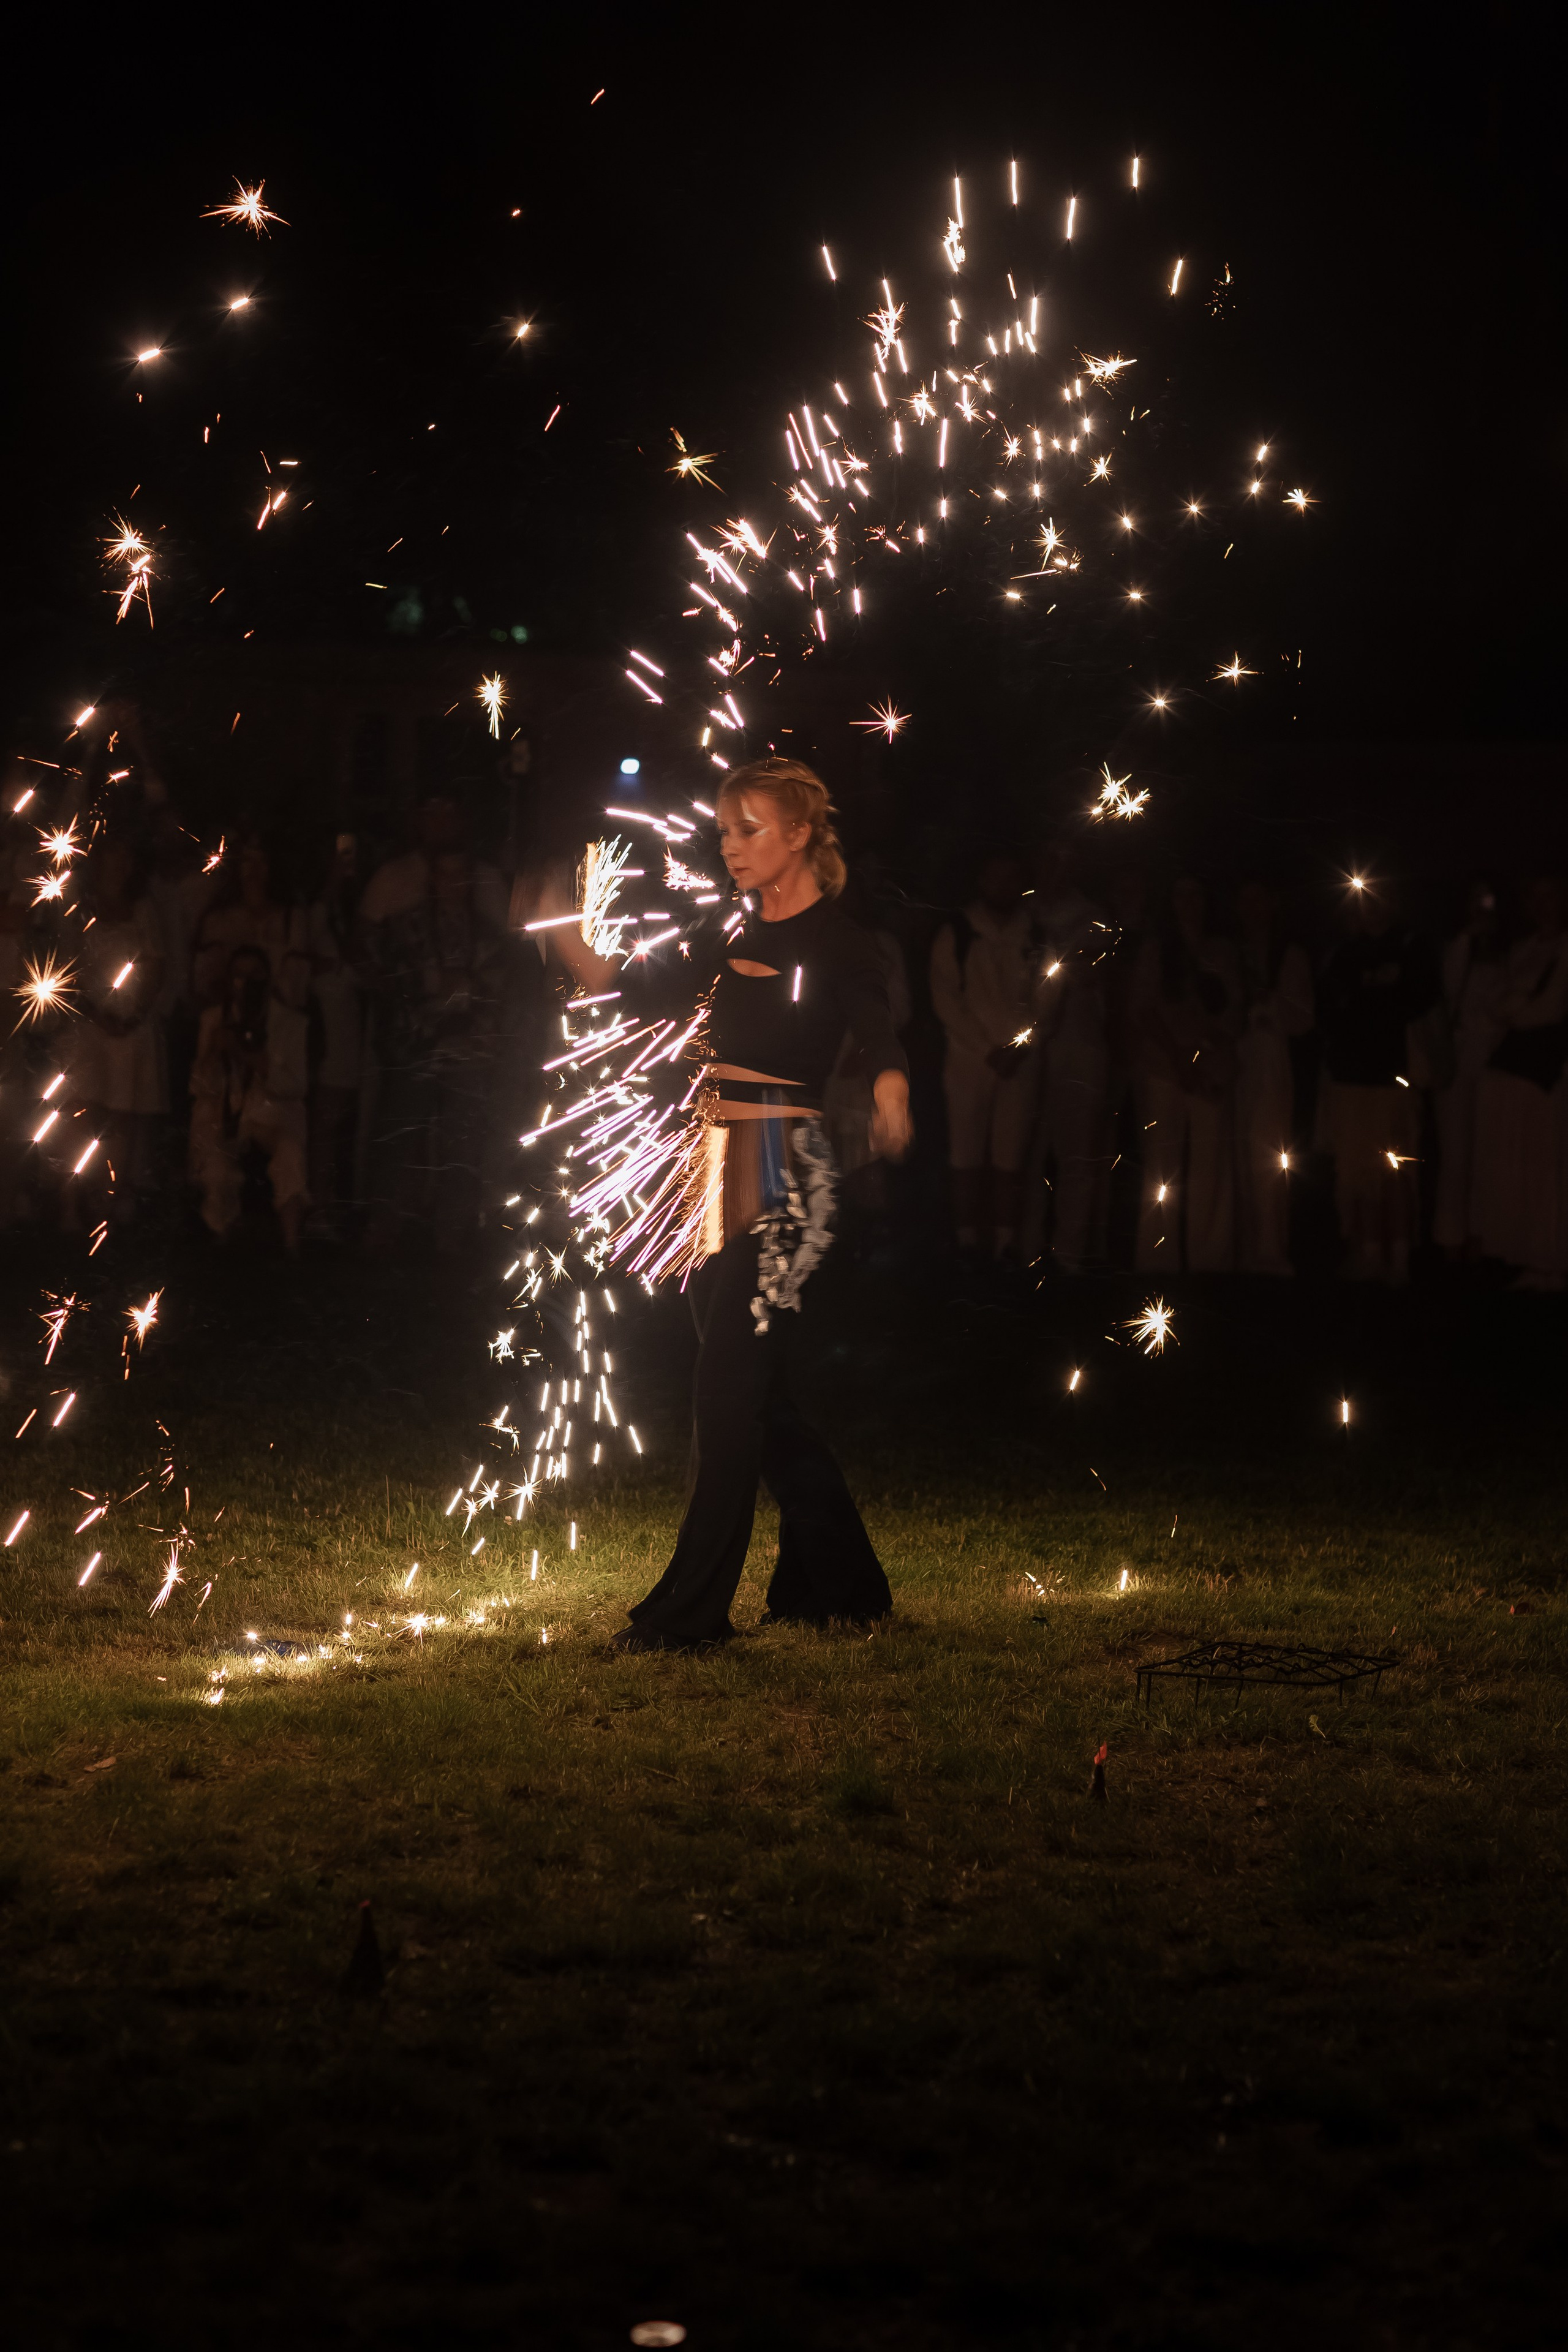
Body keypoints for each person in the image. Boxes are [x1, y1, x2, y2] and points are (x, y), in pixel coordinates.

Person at [549, 758, 912, 1653]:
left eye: (751, 829)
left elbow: (879, 1028)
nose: (733, 847)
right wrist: (566, 931)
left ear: (798, 835)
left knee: (726, 1399)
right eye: (723, 832)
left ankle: (687, 1616)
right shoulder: (727, 939)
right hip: (713, 1169)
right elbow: (628, 989)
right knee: (760, 1400)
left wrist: (892, 1091)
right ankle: (844, 1584)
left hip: (784, 1173)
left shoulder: (841, 941)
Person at [360, 798, 509, 1254]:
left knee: (461, 1141)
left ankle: (452, 1237)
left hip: (468, 1045)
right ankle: (383, 1232)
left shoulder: (485, 907)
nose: (452, 884)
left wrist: (472, 990)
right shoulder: (404, 905)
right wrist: (421, 988)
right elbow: (375, 960)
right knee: (401, 1136)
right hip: (414, 1043)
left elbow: (506, 966)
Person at [1315, 881, 1437, 1283]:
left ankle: (1398, 1258)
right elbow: (1333, 1012)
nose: (1375, 910)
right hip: (1351, 1080)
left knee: (1395, 1171)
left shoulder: (1411, 948)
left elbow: (1418, 1002)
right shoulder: (1342, 955)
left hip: (1394, 1081)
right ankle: (1367, 1253)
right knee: (1358, 1172)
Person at [929, 851, 1036, 1258]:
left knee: (1010, 1156)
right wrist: (988, 1048)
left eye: (1012, 876)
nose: (1004, 885)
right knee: (967, 1155)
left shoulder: (1033, 934)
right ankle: (969, 1243)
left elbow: (1047, 996)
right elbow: (946, 998)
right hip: (969, 1062)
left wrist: (1020, 1047)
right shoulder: (959, 931)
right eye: (997, 875)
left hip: (1016, 1064)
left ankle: (1006, 1245)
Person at [1131, 878, 1241, 1272]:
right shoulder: (1157, 949)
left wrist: (1206, 1050)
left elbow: (1232, 1010)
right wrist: (1178, 1054)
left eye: (1196, 892)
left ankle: (1208, 1258)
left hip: (1210, 1068)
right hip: (1164, 1067)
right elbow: (1143, 1008)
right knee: (1162, 1164)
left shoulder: (1222, 951)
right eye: (1181, 893)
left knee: (1211, 1163)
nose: (1190, 901)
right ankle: (1158, 1258)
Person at [1472, 875, 1568, 1289]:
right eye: (1537, 897)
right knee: (1521, 1161)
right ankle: (1525, 1252)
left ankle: (1551, 1260)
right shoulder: (1526, 948)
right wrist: (1517, 1004)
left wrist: (1516, 1006)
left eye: (1552, 896)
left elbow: (1546, 1009)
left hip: (1549, 1069)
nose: (1544, 905)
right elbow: (1496, 1000)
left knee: (1548, 1164)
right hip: (1515, 1068)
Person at [67, 835, 167, 1224]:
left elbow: (156, 965)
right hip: (92, 1023)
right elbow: (70, 965)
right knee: (89, 1110)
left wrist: (135, 1014)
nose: (121, 862)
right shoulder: (83, 907)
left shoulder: (144, 909)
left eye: (127, 854)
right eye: (115, 853)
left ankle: (120, 1191)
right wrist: (96, 1012)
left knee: (124, 1111)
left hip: (130, 1024)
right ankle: (88, 1192)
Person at [189, 941, 312, 1251]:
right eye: (239, 975)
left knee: (290, 1153)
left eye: (255, 975)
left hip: (274, 1114)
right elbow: (198, 1087)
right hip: (227, 1113)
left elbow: (297, 1086)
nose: (246, 983)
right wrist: (215, 1053)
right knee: (216, 1161)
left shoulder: (291, 1023)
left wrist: (256, 1060)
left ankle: (291, 1243)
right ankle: (221, 1233)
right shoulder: (214, 1020)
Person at [1025, 840, 1111, 1275]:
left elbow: (1091, 971)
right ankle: (1026, 1248)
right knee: (1029, 1150)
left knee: (1077, 1154)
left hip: (1079, 1046)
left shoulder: (1090, 918)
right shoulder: (1024, 914)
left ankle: (1069, 1255)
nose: (1053, 867)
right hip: (1032, 1046)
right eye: (1047, 858)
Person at [1234, 878, 1314, 1276]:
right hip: (1237, 1057)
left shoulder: (1289, 955)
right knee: (1238, 1151)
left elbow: (1304, 1016)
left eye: (1258, 900)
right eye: (1244, 901)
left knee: (1269, 1150)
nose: (1251, 909)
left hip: (1270, 1057)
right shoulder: (1232, 951)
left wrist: (1273, 1003)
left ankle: (1271, 1248)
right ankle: (1247, 1247)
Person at [1433, 880, 1506, 1257]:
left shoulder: (1510, 954)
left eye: (1488, 897)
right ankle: (1451, 1236)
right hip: (1459, 1057)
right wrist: (1466, 939)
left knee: (1490, 1150)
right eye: (1475, 897)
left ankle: (1485, 1235)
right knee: (1456, 1150)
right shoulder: (1455, 948)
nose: (1482, 906)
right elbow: (1446, 990)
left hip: (1495, 1061)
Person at [304, 835, 365, 1241]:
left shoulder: (353, 911)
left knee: (341, 1122)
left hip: (348, 1028)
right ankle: (318, 1206)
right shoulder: (313, 913)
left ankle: (334, 1204)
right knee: (323, 1122)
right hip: (322, 1028)